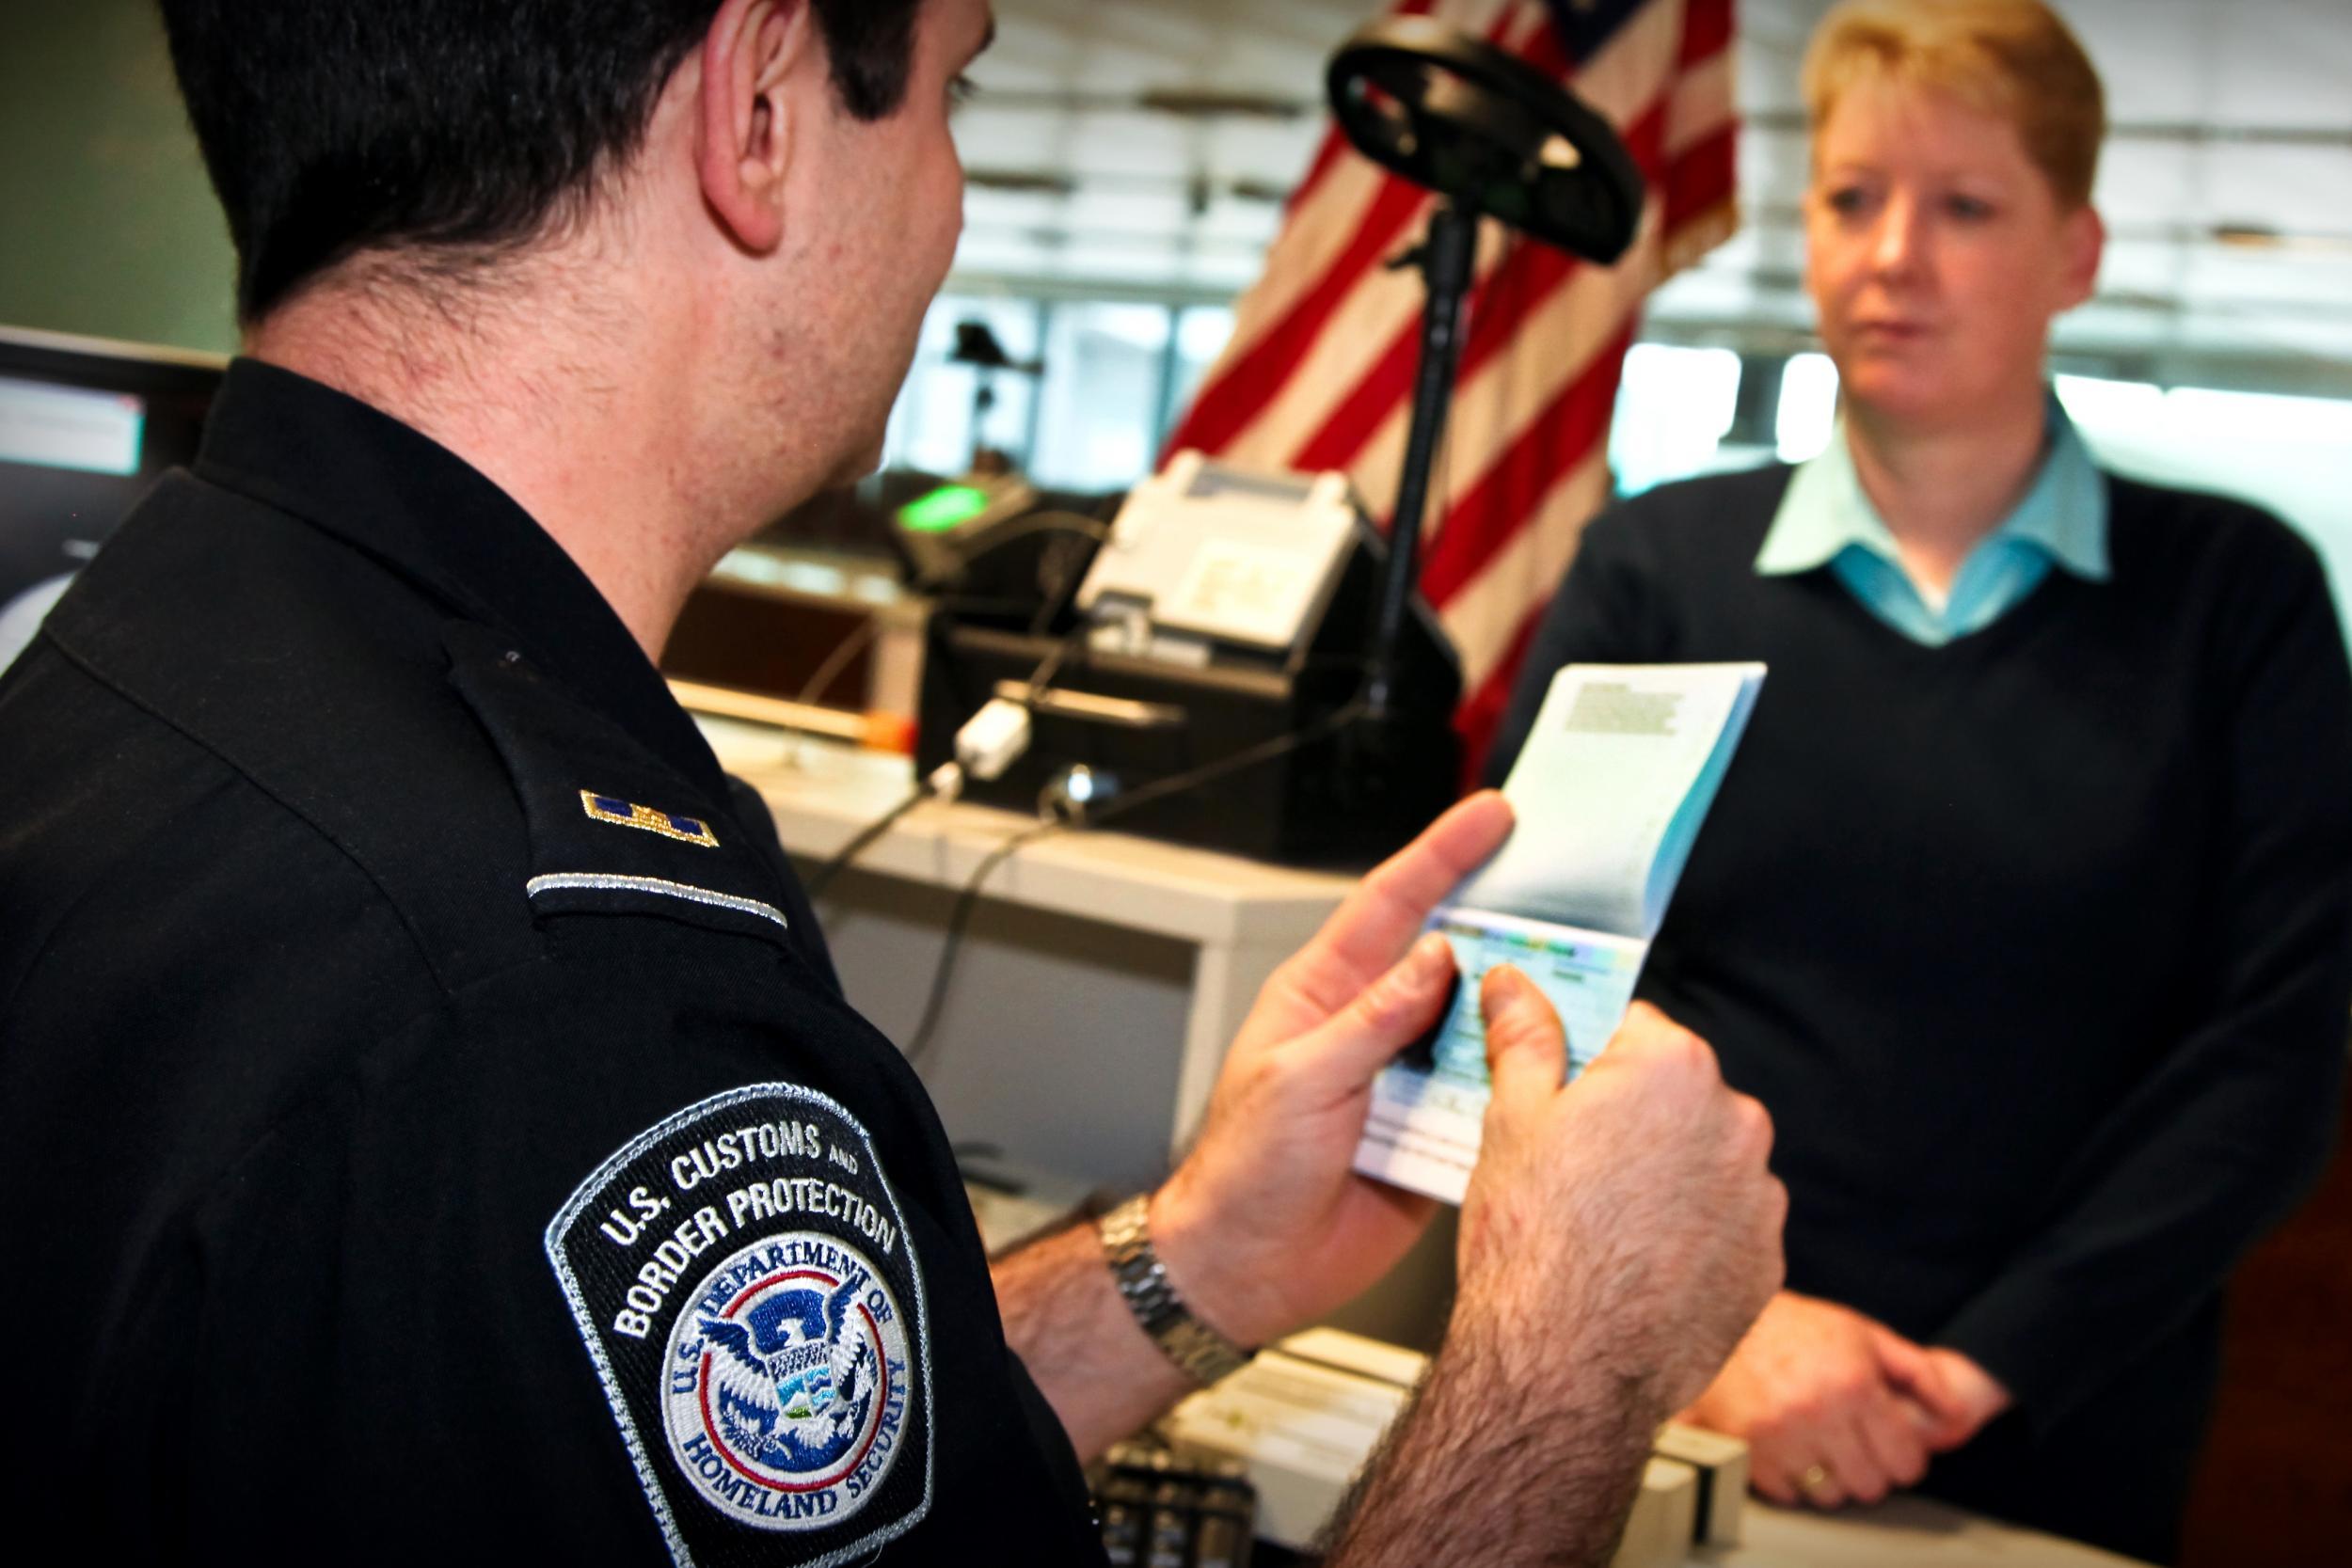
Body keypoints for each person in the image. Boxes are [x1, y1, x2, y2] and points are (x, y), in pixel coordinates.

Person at [0, 0, 1788, 1560]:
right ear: (761, 103)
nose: (948, 198)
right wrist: (1570, 1360)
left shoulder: (142, 651)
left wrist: (1197, 1265)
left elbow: (707, 1469)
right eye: (953, 94)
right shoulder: (565, 1003)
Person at [1486, 0, 2352, 1560]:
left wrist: (1970, 1370)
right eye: (1851, 198)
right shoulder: (1657, 569)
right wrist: (1731, 1333)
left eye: (1965, 207)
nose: (1895, 254)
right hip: (1665, 1387)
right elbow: (1534, 982)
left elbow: (2275, 1050)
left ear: (2075, 255)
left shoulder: (2238, 598)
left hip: (2057, 1425)